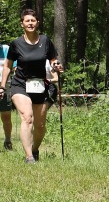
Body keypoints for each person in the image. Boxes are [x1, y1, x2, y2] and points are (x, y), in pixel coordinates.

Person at [0, 9, 63, 163]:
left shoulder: (45, 40)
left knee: (40, 125)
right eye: (27, 21)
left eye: (33, 21)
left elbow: (53, 60)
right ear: (22, 24)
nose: (30, 23)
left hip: (40, 85)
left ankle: (34, 150)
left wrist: (56, 66)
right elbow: (8, 67)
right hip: (20, 84)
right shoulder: (16, 44)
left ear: (37, 23)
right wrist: (2, 87)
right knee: (27, 117)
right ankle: (29, 157)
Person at [0, 44, 13, 150]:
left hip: (5, 87)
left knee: (6, 116)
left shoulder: (7, 49)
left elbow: (14, 66)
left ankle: (8, 140)